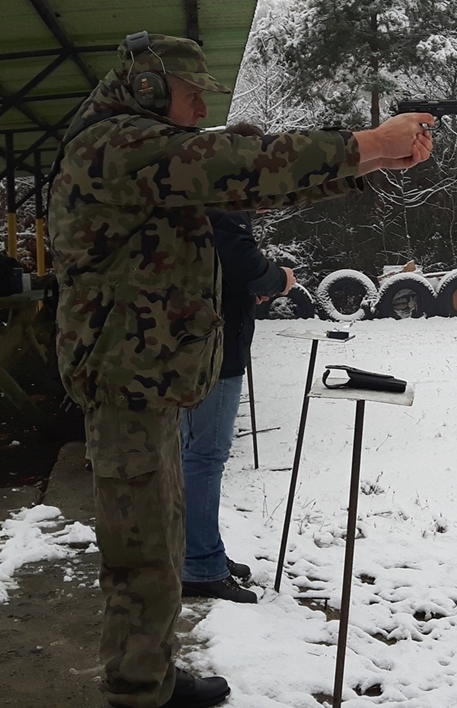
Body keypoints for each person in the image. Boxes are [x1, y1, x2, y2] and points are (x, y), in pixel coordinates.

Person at [49, 31, 433, 708]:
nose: (200, 114)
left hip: (146, 379)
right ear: (149, 89)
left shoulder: (145, 149)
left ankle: (154, 678)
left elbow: (249, 180)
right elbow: (239, 164)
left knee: (162, 544)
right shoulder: (116, 145)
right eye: (192, 99)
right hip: (126, 385)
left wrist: (371, 160)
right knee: (140, 560)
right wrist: (365, 143)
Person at [180, 124, 297, 605]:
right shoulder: (225, 203)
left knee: (192, 454)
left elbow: (221, 270)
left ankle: (198, 551)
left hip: (198, 345)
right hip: (214, 352)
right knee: (204, 457)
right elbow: (243, 264)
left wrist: (251, 287)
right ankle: (199, 564)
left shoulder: (204, 196)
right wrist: (280, 279)